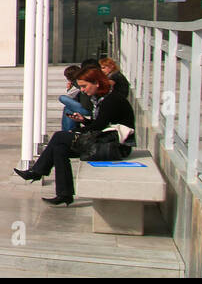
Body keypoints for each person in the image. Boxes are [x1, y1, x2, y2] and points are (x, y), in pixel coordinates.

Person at [13, 66, 135, 205]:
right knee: (59, 148)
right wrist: (84, 121)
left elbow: (99, 126)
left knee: (60, 136)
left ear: (97, 83)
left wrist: (75, 132)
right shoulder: (102, 99)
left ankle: (37, 172)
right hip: (107, 141)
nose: (82, 90)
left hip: (117, 147)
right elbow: (102, 124)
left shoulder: (111, 100)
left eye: (84, 86)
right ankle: (64, 194)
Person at [58, 64, 92, 132]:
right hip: (85, 106)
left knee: (62, 98)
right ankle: (69, 131)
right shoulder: (79, 82)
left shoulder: (77, 83)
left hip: (86, 108)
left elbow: (71, 96)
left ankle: (67, 132)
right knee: (68, 108)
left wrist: (70, 88)